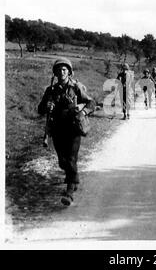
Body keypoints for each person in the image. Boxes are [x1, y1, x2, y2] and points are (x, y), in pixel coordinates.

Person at [38, 57, 95, 206]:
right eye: (59, 70)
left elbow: (91, 102)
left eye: (64, 69)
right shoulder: (50, 90)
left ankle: (69, 192)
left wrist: (82, 111)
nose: (61, 72)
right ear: (55, 73)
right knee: (62, 161)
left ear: (69, 72)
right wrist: (47, 105)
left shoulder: (76, 87)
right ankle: (73, 177)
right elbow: (40, 109)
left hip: (73, 128)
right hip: (57, 129)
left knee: (71, 158)